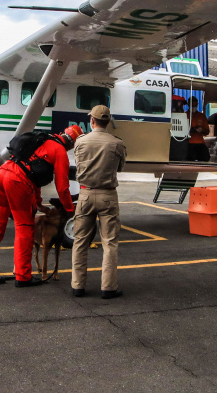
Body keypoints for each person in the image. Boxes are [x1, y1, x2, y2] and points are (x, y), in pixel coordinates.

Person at [0, 125, 83, 287]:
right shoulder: (60, 151)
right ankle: (23, 275)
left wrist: (38, 201)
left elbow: (35, 173)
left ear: (62, 133)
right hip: (18, 182)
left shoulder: (43, 139)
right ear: (72, 144)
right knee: (25, 226)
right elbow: (62, 187)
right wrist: (69, 209)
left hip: (4, 173)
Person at [71, 105, 127, 299]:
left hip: (85, 194)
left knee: (80, 241)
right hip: (108, 195)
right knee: (109, 243)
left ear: (92, 121)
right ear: (108, 122)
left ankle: (78, 285)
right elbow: (120, 168)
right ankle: (108, 288)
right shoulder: (117, 143)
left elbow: (78, 165)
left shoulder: (80, 141)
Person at [186, 96, 211, 162]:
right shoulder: (184, 115)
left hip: (200, 142)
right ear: (188, 104)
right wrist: (192, 130)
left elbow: (207, 131)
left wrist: (202, 130)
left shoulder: (202, 116)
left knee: (206, 157)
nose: (194, 107)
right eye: (192, 105)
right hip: (188, 142)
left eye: (195, 105)